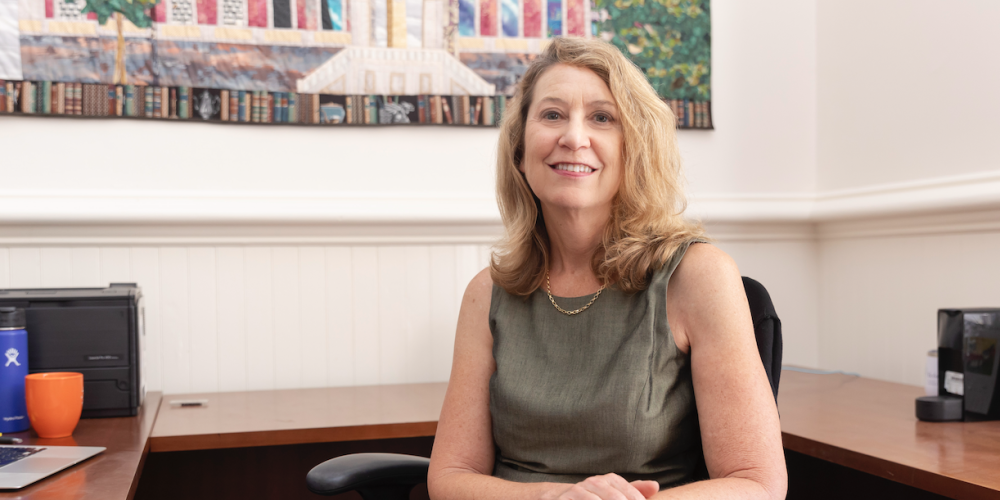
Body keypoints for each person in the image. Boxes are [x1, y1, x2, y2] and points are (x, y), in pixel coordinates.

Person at [427, 37, 786, 500]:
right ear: (519, 149)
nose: (574, 138)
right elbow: (450, 477)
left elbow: (756, 483)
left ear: (633, 146)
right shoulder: (488, 293)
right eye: (552, 114)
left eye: (602, 117)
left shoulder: (698, 277)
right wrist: (554, 498)